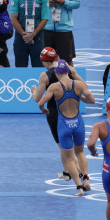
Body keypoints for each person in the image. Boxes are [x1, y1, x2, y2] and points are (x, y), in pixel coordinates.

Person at [37, 60, 96, 195]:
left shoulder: (54, 87)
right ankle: (86, 180)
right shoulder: (79, 84)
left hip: (64, 125)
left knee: (69, 157)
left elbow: (40, 103)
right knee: (80, 153)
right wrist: (79, 97)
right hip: (78, 123)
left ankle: (79, 188)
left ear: (57, 73)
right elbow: (92, 100)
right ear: (68, 72)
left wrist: (44, 110)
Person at [32, 47, 87, 182]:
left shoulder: (45, 76)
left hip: (55, 114)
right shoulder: (69, 69)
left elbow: (37, 99)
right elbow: (84, 85)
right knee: (68, 148)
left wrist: (33, 90)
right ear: (56, 58)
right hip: (72, 111)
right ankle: (67, 173)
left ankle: (81, 176)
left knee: (64, 148)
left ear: (44, 62)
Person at [39, 0, 80, 64]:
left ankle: (71, 80)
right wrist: (47, 2)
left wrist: (64, 2)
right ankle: (49, 80)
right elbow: (38, 3)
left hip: (64, 29)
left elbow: (77, 3)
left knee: (67, 61)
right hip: (47, 28)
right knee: (47, 61)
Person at [9, 0, 49, 67]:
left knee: (38, 69)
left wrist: (33, 34)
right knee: (20, 69)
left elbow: (45, 19)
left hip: (38, 37)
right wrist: (25, 35)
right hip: (20, 38)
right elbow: (13, 18)